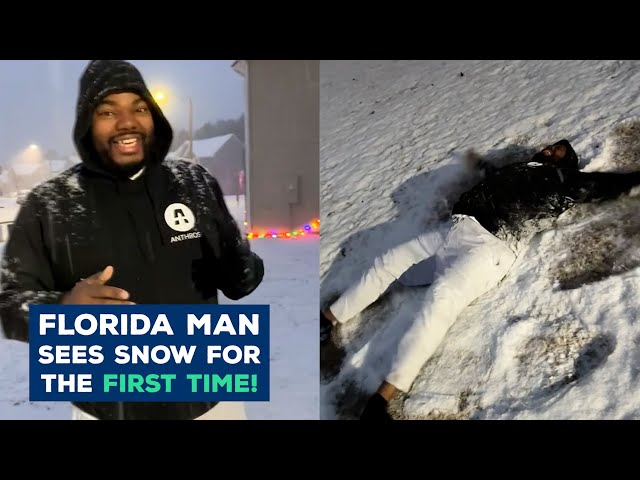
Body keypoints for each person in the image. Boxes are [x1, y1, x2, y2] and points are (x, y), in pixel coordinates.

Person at [0, 60, 264, 421]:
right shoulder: (51, 204)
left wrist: (240, 264)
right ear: (86, 122)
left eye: (139, 108)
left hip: (208, 400)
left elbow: (240, 278)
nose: (127, 122)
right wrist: (62, 310)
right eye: (108, 111)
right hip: (107, 408)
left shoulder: (192, 182)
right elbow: (8, 300)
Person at [321, 139, 640, 420]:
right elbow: (497, 180)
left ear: (567, 163)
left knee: (439, 304)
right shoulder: (521, 169)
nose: (549, 149)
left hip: (490, 248)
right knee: (388, 262)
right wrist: (481, 164)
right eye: (551, 145)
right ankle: (329, 318)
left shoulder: (562, 182)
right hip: (453, 231)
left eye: (558, 150)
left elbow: (604, 185)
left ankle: (381, 400)